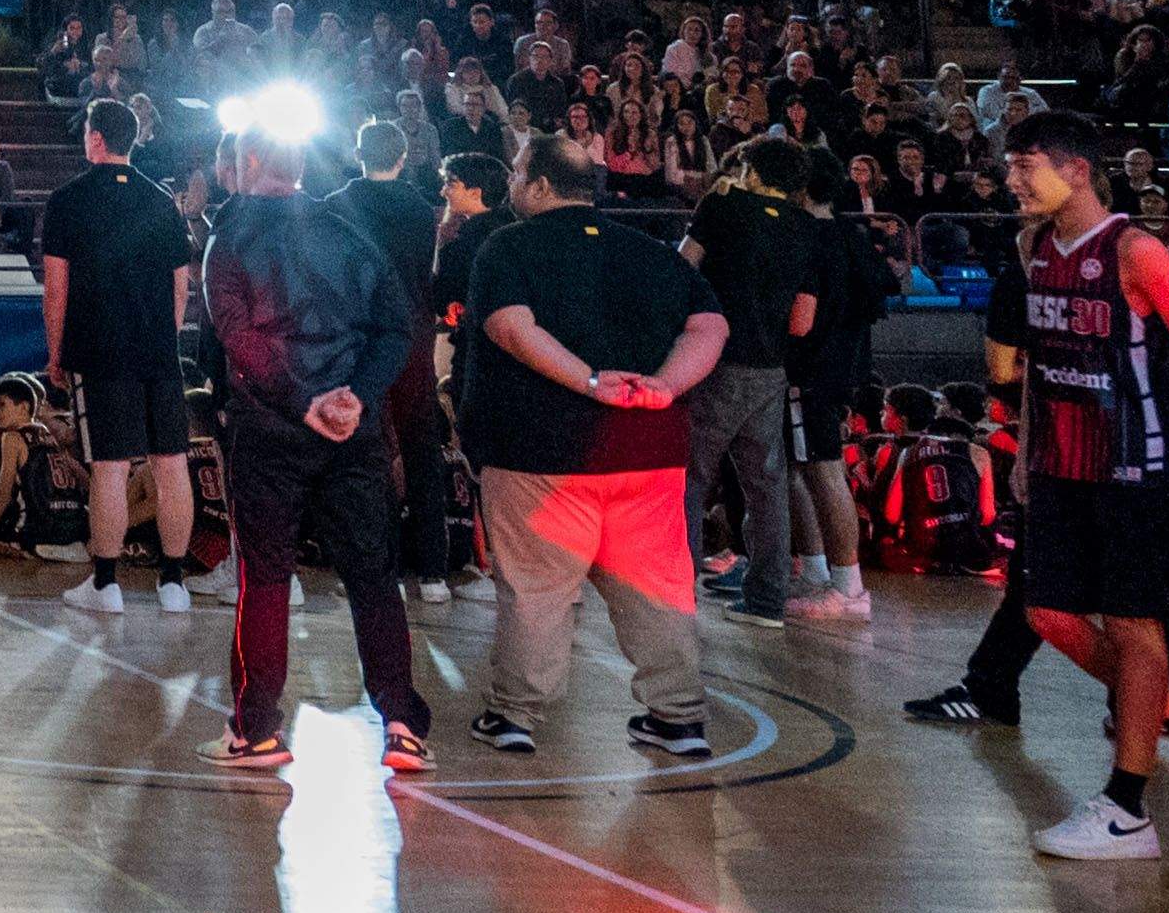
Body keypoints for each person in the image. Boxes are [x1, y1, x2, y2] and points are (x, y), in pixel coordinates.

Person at [455, 138, 725, 762]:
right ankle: (679, 717)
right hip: (649, 450)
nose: (513, 184)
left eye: (519, 173)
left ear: (542, 186)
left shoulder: (507, 246)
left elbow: (510, 327)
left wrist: (590, 380)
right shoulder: (652, 253)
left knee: (538, 589)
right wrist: (665, 384)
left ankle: (515, 715)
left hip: (541, 453)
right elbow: (711, 326)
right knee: (657, 589)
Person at [200, 131, 433, 774]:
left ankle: (256, 730)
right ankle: (402, 725)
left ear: (245, 164)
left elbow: (236, 335)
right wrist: (356, 396)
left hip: (272, 429)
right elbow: (398, 326)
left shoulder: (231, 234)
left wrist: (303, 399)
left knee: (267, 576)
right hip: (352, 429)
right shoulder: (351, 229)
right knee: (373, 578)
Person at [995, 115, 1169, 858]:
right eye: (1010, 166)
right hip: (1058, 462)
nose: (1012, 179)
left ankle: (1127, 806)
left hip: (1135, 466)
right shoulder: (1032, 245)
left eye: (1026, 165)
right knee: (1048, 612)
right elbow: (1040, 357)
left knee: (1137, 630)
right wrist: (1024, 443)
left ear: (1077, 170)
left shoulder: (1136, 251)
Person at [39, 99, 202, 614]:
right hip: (158, 350)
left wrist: (55, 352)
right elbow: (182, 284)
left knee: (110, 467)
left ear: (95, 138)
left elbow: (56, 288)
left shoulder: (68, 199)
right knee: (171, 463)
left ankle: (106, 584)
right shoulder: (161, 200)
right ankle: (174, 583)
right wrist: (162, 336)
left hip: (99, 349)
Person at [676, 136, 821, 632]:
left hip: (714, 358)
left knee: (690, 475)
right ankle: (766, 601)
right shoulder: (807, 226)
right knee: (767, 485)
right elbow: (802, 319)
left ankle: (678, 589)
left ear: (753, 169)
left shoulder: (725, 203)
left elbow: (682, 265)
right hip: (770, 366)